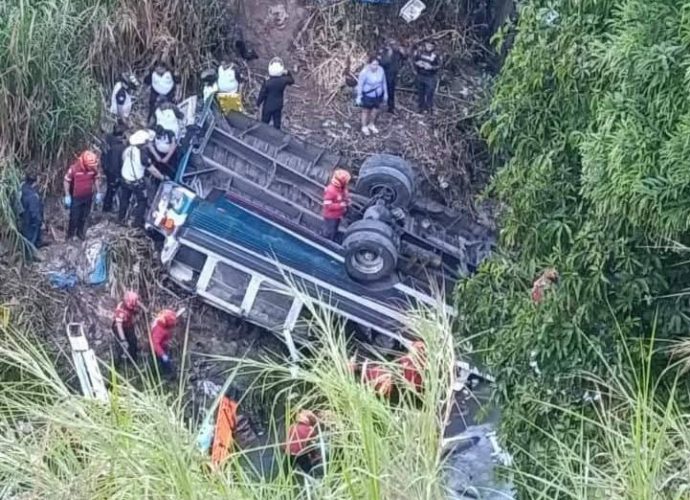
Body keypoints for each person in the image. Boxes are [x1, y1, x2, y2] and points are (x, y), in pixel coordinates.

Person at [119, 129, 166, 227]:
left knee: (124, 198)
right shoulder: (143, 156)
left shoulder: (129, 149)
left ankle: (121, 218)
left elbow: (123, 158)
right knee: (142, 201)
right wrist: (162, 177)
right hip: (135, 182)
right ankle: (137, 223)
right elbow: (153, 170)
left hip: (124, 178)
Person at [63, 150, 103, 241]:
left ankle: (80, 233)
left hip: (88, 196)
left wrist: (98, 192)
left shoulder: (93, 169)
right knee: (74, 217)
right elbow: (66, 181)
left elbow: (96, 178)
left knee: (84, 216)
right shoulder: (74, 169)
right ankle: (70, 235)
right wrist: (67, 195)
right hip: (76, 197)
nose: (92, 168)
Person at [256, 57, 294, 130]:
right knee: (277, 123)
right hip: (278, 105)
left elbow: (262, 94)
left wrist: (258, 103)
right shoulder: (283, 80)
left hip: (268, 106)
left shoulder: (267, 82)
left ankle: (263, 135)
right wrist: (288, 72)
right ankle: (277, 137)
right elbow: (292, 80)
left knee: (264, 122)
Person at [356, 54, 388, 136]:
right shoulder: (364, 72)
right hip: (368, 95)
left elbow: (384, 82)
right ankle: (364, 126)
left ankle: (371, 124)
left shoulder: (381, 70)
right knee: (366, 111)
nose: (375, 66)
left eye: (377, 64)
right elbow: (360, 84)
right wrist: (359, 96)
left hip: (378, 94)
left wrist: (385, 93)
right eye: (373, 64)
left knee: (375, 110)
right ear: (369, 64)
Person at [102, 122, 128, 213]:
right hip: (115, 172)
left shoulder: (108, 139)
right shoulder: (121, 148)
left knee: (110, 189)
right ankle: (107, 207)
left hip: (107, 167)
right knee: (112, 190)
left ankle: (107, 206)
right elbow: (117, 163)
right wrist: (118, 175)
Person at [112, 290, 140, 365]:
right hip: (120, 327)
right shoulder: (120, 310)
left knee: (133, 342)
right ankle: (118, 363)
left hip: (129, 325)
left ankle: (133, 360)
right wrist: (123, 339)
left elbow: (138, 305)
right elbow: (119, 326)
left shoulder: (133, 301)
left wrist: (144, 310)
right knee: (121, 346)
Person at [322, 169, 351, 241]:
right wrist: (340, 205)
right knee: (329, 231)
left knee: (335, 228)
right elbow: (327, 205)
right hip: (330, 216)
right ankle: (327, 240)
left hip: (337, 215)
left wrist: (347, 199)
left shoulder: (341, 188)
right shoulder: (331, 190)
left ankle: (333, 236)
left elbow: (344, 193)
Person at [379, 39, 406, 114]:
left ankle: (391, 108)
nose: (395, 46)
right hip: (384, 74)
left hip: (393, 75)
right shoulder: (384, 51)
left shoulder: (397, 52)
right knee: (382, 91)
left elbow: (405, 58)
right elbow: (382, 63)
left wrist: (403, 53)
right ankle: (380, 107)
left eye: (396, 44)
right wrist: (389, 54)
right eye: (393, 44)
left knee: (391, 92)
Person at [19, 173, 44, 255]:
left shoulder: (23, 188)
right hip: (31, 222)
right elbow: (34, 212)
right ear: (35, 182)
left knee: (26, 236)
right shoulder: (33, 196)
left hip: (24, 218)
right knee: (30, 239)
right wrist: (40, 222)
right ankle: (30, 256)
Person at [413, 41, 441, 113]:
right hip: (420, 75)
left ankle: (429, 109)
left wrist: (431, 67)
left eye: (431, 46)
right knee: (420, 93)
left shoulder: (435, 55)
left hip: (430, 77)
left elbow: (439, 66)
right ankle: (420, 108)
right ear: (425, 45)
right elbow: (414, 61)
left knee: (429, 93)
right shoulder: (420, 52)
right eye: (428, 45)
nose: (429, 47)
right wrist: (417, 64)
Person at [151, 308, 178, 374]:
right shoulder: (159, 330)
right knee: (164, 363)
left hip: (164, 344)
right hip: (159, 349)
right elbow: (155, 344)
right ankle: (167, 374)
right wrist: (162, 355)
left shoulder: (163, 319)